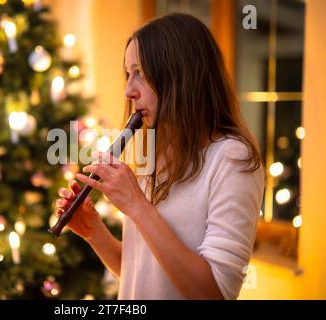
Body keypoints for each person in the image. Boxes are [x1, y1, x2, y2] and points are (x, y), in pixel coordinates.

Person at [54, 13, 265, 300]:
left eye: (140, 72)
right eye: (128, 74)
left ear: (180, 76)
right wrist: (94, 232)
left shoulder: (232, 158)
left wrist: (137, 206)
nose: (129, 90)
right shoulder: (152, 150)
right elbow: (138, 270)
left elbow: (213, 293)